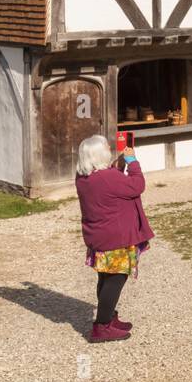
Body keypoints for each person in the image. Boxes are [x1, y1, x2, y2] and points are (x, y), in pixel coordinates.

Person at [74, 134, 153, 343]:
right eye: (106, 148)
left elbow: (109, 189)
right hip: (115, 238)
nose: (110, 150)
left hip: (99, 236)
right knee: (116, 278)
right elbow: (137, 186)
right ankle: (101, 327)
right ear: (100, 154)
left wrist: (117, 168)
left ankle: (109, 318)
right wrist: (132, 162)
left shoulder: (84, 177)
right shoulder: (108, 178)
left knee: (105, 277)